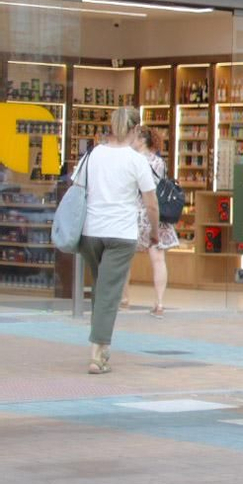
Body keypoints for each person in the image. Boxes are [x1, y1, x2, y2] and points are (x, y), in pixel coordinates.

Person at [78, 106, 158, 374]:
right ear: (136, 129)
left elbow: (77, 186)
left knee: (102, 288)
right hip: (121, 233)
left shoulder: (93, 155)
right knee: (109, 293)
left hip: (91, 231)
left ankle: (101, 347)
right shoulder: (137, 161)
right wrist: (154, 232)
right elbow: (151, 203)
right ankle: (97, 353)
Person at [130, 126, 178, 317]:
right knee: (158, 260)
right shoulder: (159, 162)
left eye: (134, 138)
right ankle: (159, 303)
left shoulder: (134, 161)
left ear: (141, 140)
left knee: (123, 258)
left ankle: (123, 299)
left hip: (136, 211)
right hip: (156, 213)